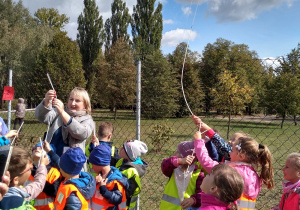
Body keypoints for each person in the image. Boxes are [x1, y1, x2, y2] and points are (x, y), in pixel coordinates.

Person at [193, 130, 274, 210]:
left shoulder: (232, 172)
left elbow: (206, 162)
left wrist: (198, 141)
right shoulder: (255, 176)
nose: (229, 153)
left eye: (232, 151)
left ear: (241, 156)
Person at [35, 87, 94, 159]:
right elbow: (40, 116)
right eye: (71, 99)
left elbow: (82, 133)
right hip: (49, 159)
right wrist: (46, 101)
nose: (73, 103)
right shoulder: (58, 112)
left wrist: (63, 113)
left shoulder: (88, 119)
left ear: (85, 104)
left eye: (77, 101)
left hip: (72, 163)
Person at [160, 140, 218, 210]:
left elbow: (202, 193)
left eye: (178, 152)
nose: (175, 153)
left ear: (186, 156)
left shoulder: (198, 173)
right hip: (167, 208)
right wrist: (179, 161)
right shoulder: (173, 168)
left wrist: (193, 200)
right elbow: (164, 165)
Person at [89, 144, 128, 210]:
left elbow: (118, 199)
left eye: (93, 164)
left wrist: (103, 190)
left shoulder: (115, 181)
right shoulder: (100, 176)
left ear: (100, 163)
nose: (92, 167)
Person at [29, 142, 62, 210]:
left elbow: (55, 192)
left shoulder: (53, 172)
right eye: (35, 147)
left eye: (41, 148)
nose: (37, 148)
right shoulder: (26, 169)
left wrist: (36, 175)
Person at [116, 140, 148, 209]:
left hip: (125, 206)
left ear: (129, 155)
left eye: (124, 148)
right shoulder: (122, 161)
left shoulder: (132, 172)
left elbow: (126, 193)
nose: (120, 148)